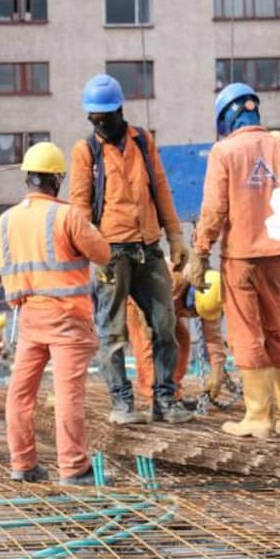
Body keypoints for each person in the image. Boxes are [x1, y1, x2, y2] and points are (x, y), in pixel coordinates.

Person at [190, 82, 280, 440]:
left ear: (226, 117)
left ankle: (258, 416)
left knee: (246, 335)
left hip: (242, 258)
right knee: (279, 333)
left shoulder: (224, 151)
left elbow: (214, 209)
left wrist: (200, 251)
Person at [69, 74, 192, 425]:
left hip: (149, 247)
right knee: (111, 331)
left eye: (105, 117)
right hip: (111, 252)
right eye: (93, 119)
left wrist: (175, 237)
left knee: (164, 324)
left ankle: (164, 399)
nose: (100, 124)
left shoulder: (142, 141)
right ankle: (122, 403)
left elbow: (161, 190)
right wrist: (95, 253)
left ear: (119, 110)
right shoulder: (85, 151)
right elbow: (79, 208)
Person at [0, 142, 111, 485]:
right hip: (67, 318)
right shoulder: (67, 216)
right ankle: (74, 468)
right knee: (67, 395)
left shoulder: (6, 220)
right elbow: (103, 253)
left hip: (29, 315)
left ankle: (23, 464)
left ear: (27, 179)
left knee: (20, 393)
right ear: (57, 179)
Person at [126, 265, 226, 409]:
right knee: (147, 344)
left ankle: (173, 395)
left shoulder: (213, 295)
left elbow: (213, 338)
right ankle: (154, 398)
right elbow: (142, 293)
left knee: (182, 339)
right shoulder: (171, 279)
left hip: (171, 307)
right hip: (140, 304)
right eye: (193, 311)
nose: (193, 315)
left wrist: (217, 371)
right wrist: (146, 323)